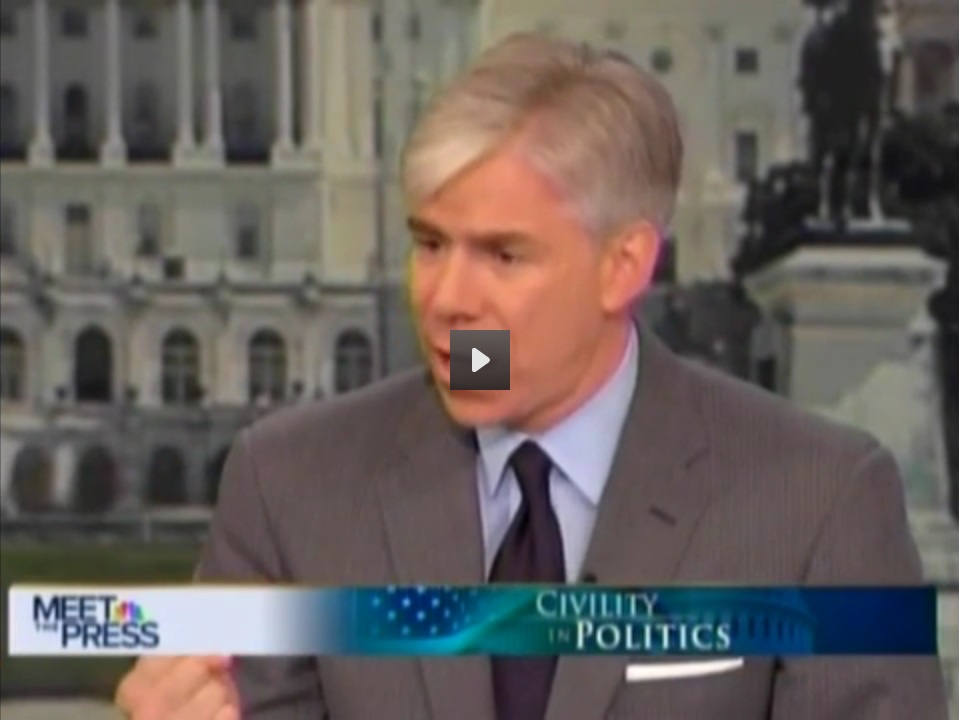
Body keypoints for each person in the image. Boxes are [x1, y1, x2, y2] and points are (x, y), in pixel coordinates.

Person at [114, 32, 949, 720]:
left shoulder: (819, 503)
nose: (445, 298)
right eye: (430, 244)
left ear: (622, 267)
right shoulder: (288, 485)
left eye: (502, 255)